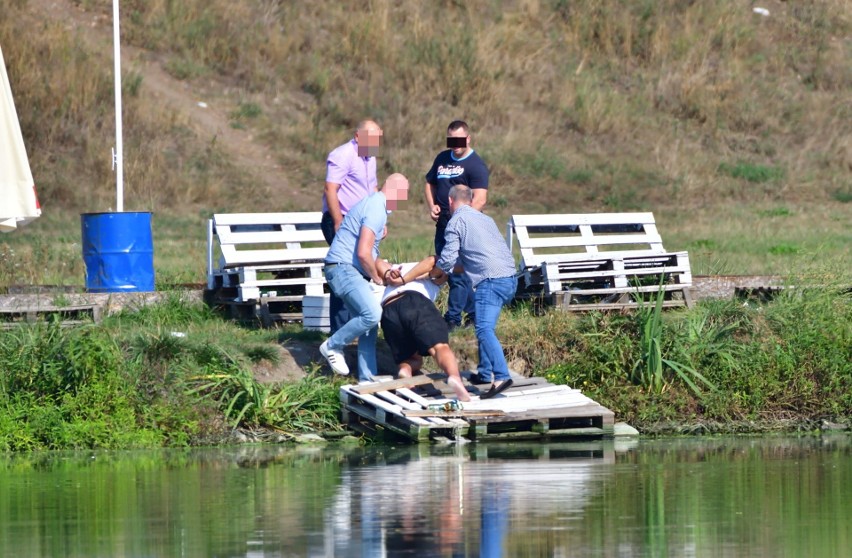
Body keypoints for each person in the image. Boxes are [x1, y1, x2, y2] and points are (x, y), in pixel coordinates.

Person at [319, 173, 409, 382]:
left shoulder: (375, 206)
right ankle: (332, 345)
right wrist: (377, 278)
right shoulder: (377, 207)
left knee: (369, 327)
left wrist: (386, 270)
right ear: (396, 191)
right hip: (342, 268)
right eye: (404, 194)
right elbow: (362, 253)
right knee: (372, 313)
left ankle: (367, 379)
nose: (404, 201)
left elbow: (371, 255)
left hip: (346, 269)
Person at [436, 185, 517, 399]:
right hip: (510, 279)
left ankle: (501, 376)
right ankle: (484, 373)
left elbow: (447, 259)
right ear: (471, 200)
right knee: (485, 325)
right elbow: (478, 258)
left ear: (451, 201)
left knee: (483, 330)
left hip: (489, 281)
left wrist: (434, 273)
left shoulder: (456, 221)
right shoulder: (485, 219)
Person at [424, 120, 489, 331]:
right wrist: (432, 204)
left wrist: (462, 219)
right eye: (451, 140)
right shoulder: (442, 158)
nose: (455, 144)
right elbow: (429, 182)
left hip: (462, 226)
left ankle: (452, 319)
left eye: (459, 140)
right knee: (451, 272)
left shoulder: (475, 165)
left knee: (457, 272)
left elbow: (480, 200)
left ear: (468, 139)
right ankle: (474, 314)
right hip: (442, 223)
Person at [379, 256, 471, 402]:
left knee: (411, 358)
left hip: (388, 310)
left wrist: (388, 274)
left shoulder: (396, 269)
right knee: (439, 347)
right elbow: (433, 261)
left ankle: (405, 373)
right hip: (415, 301)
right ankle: (455, 378)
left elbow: (377, 261)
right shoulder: (432, 268)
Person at [322, 119, 383, 333]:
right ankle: (339, 329)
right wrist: (338, 221)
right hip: (342, 220)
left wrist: (381, 217)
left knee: (360, 273)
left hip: (363, 221)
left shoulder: (370, 157)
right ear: (358, 136)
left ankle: (357, 326)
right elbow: (331, 189)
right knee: (344, 270)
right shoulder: (343, 155)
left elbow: (372, 188)